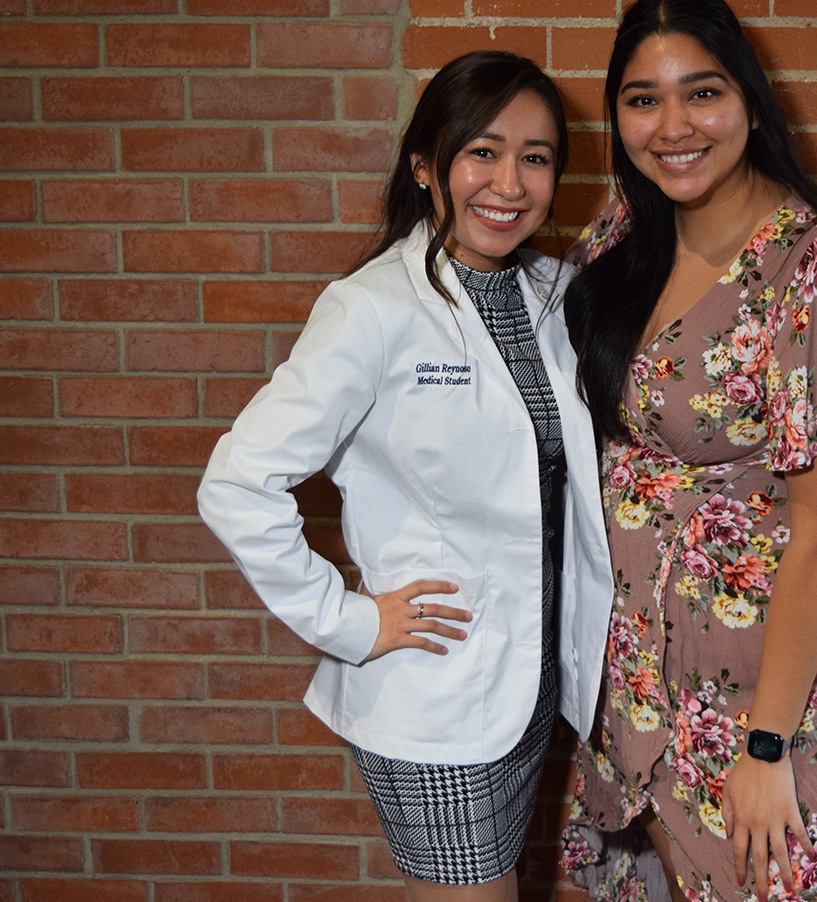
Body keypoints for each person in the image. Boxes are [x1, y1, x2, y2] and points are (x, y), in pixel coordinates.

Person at [197, 50, 614, 902]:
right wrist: (347, 622)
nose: (509, 182)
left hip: (535, 685)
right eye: (482, 152)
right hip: (435, 694)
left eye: (535, 157)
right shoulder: (372, 309)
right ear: (426, 165)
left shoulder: (557, 292)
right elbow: (236, 483)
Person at [560, 0, 817, 902]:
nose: (672, 126)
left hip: (788, 695)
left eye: (703, 92)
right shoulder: (622, 234)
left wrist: (765, 747)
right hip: (651, 675)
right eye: (643, 99)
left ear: (752, 103)